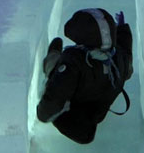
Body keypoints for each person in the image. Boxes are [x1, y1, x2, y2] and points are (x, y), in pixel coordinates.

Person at [37, 8, 133, 144]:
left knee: (56, 70)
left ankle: (52, 61)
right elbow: (126, 53)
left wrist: (43, 112)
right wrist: (122, 29)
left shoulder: (74, 63)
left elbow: (50, 106)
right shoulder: (119, 58)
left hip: (78, 110)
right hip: (95, 108)